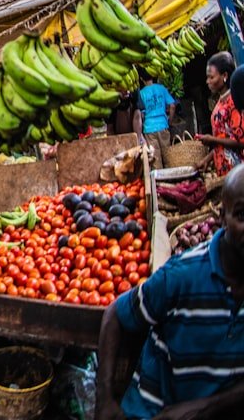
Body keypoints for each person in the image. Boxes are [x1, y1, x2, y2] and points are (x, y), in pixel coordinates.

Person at [94, 165, 244, 419]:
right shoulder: (183, 274)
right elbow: (116, 314)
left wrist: (205, 407)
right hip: (153, 411)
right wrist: (104, 399)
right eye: (241, 215)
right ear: (221, 218)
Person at [197, 52, 244, 176]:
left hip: (237, 172)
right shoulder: (220, 101)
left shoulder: (234, 102)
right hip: (224, 170)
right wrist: (207, 159)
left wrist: (212, 139)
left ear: (224, 75)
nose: (207, 81)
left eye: (211, 77)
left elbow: (241, 141)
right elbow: (223, 137)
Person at [134, 70, 176, 169]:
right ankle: (171, 179)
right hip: (163, 126)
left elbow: (142, 114)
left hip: (149, 129)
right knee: (168, 157)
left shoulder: (141, 93)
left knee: (155, 160)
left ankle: (160, 183)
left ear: (141, 79)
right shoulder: (161, 88)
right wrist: (169, 121)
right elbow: (172, 106)